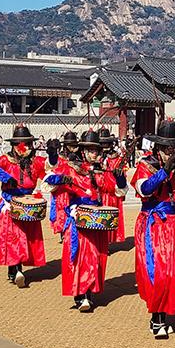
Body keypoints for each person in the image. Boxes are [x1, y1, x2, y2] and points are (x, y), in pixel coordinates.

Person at [130, 119, 175, 338]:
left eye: (173, 148)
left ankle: (164, 314)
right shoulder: (146, 165)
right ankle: (157, 318)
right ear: (157, 148)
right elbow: (144, 188)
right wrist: (164, 170)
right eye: (165, 149)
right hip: (155, 225)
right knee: (159, 273)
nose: (170, 152)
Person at [46, 130, 119, 309]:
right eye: (91, 150)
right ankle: (81, 294)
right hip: (77, 217)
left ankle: (88, 292)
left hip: (96, 218)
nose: (95, 154)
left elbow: (116, 190)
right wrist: (61, 177)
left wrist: (120, 178)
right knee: (80, 256)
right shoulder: (71, 168)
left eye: (97, 150)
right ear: (83, 151)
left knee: (95, 255)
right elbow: (48, 182)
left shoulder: (101, 171)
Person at [0, 125, 48, 289]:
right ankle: (17, 269)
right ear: (14, 145)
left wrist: (54, 156)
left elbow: (51, 170)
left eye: (28, 144)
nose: (25, 148)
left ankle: (14, 268)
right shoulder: (5, 160)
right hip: (9, 202)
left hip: (28, 203)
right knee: (14, 236)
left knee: (26, 236)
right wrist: (5, 179)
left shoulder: (36, 162)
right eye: (22, 144)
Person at [97, 126, 128, 245]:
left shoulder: (117, 159)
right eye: (101, 144)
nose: (104, 147)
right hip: (99, 193)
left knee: (109, 218)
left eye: (106, 144)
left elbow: (122, 179)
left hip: (111, 194)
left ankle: (108, 241)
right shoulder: (97, 158)